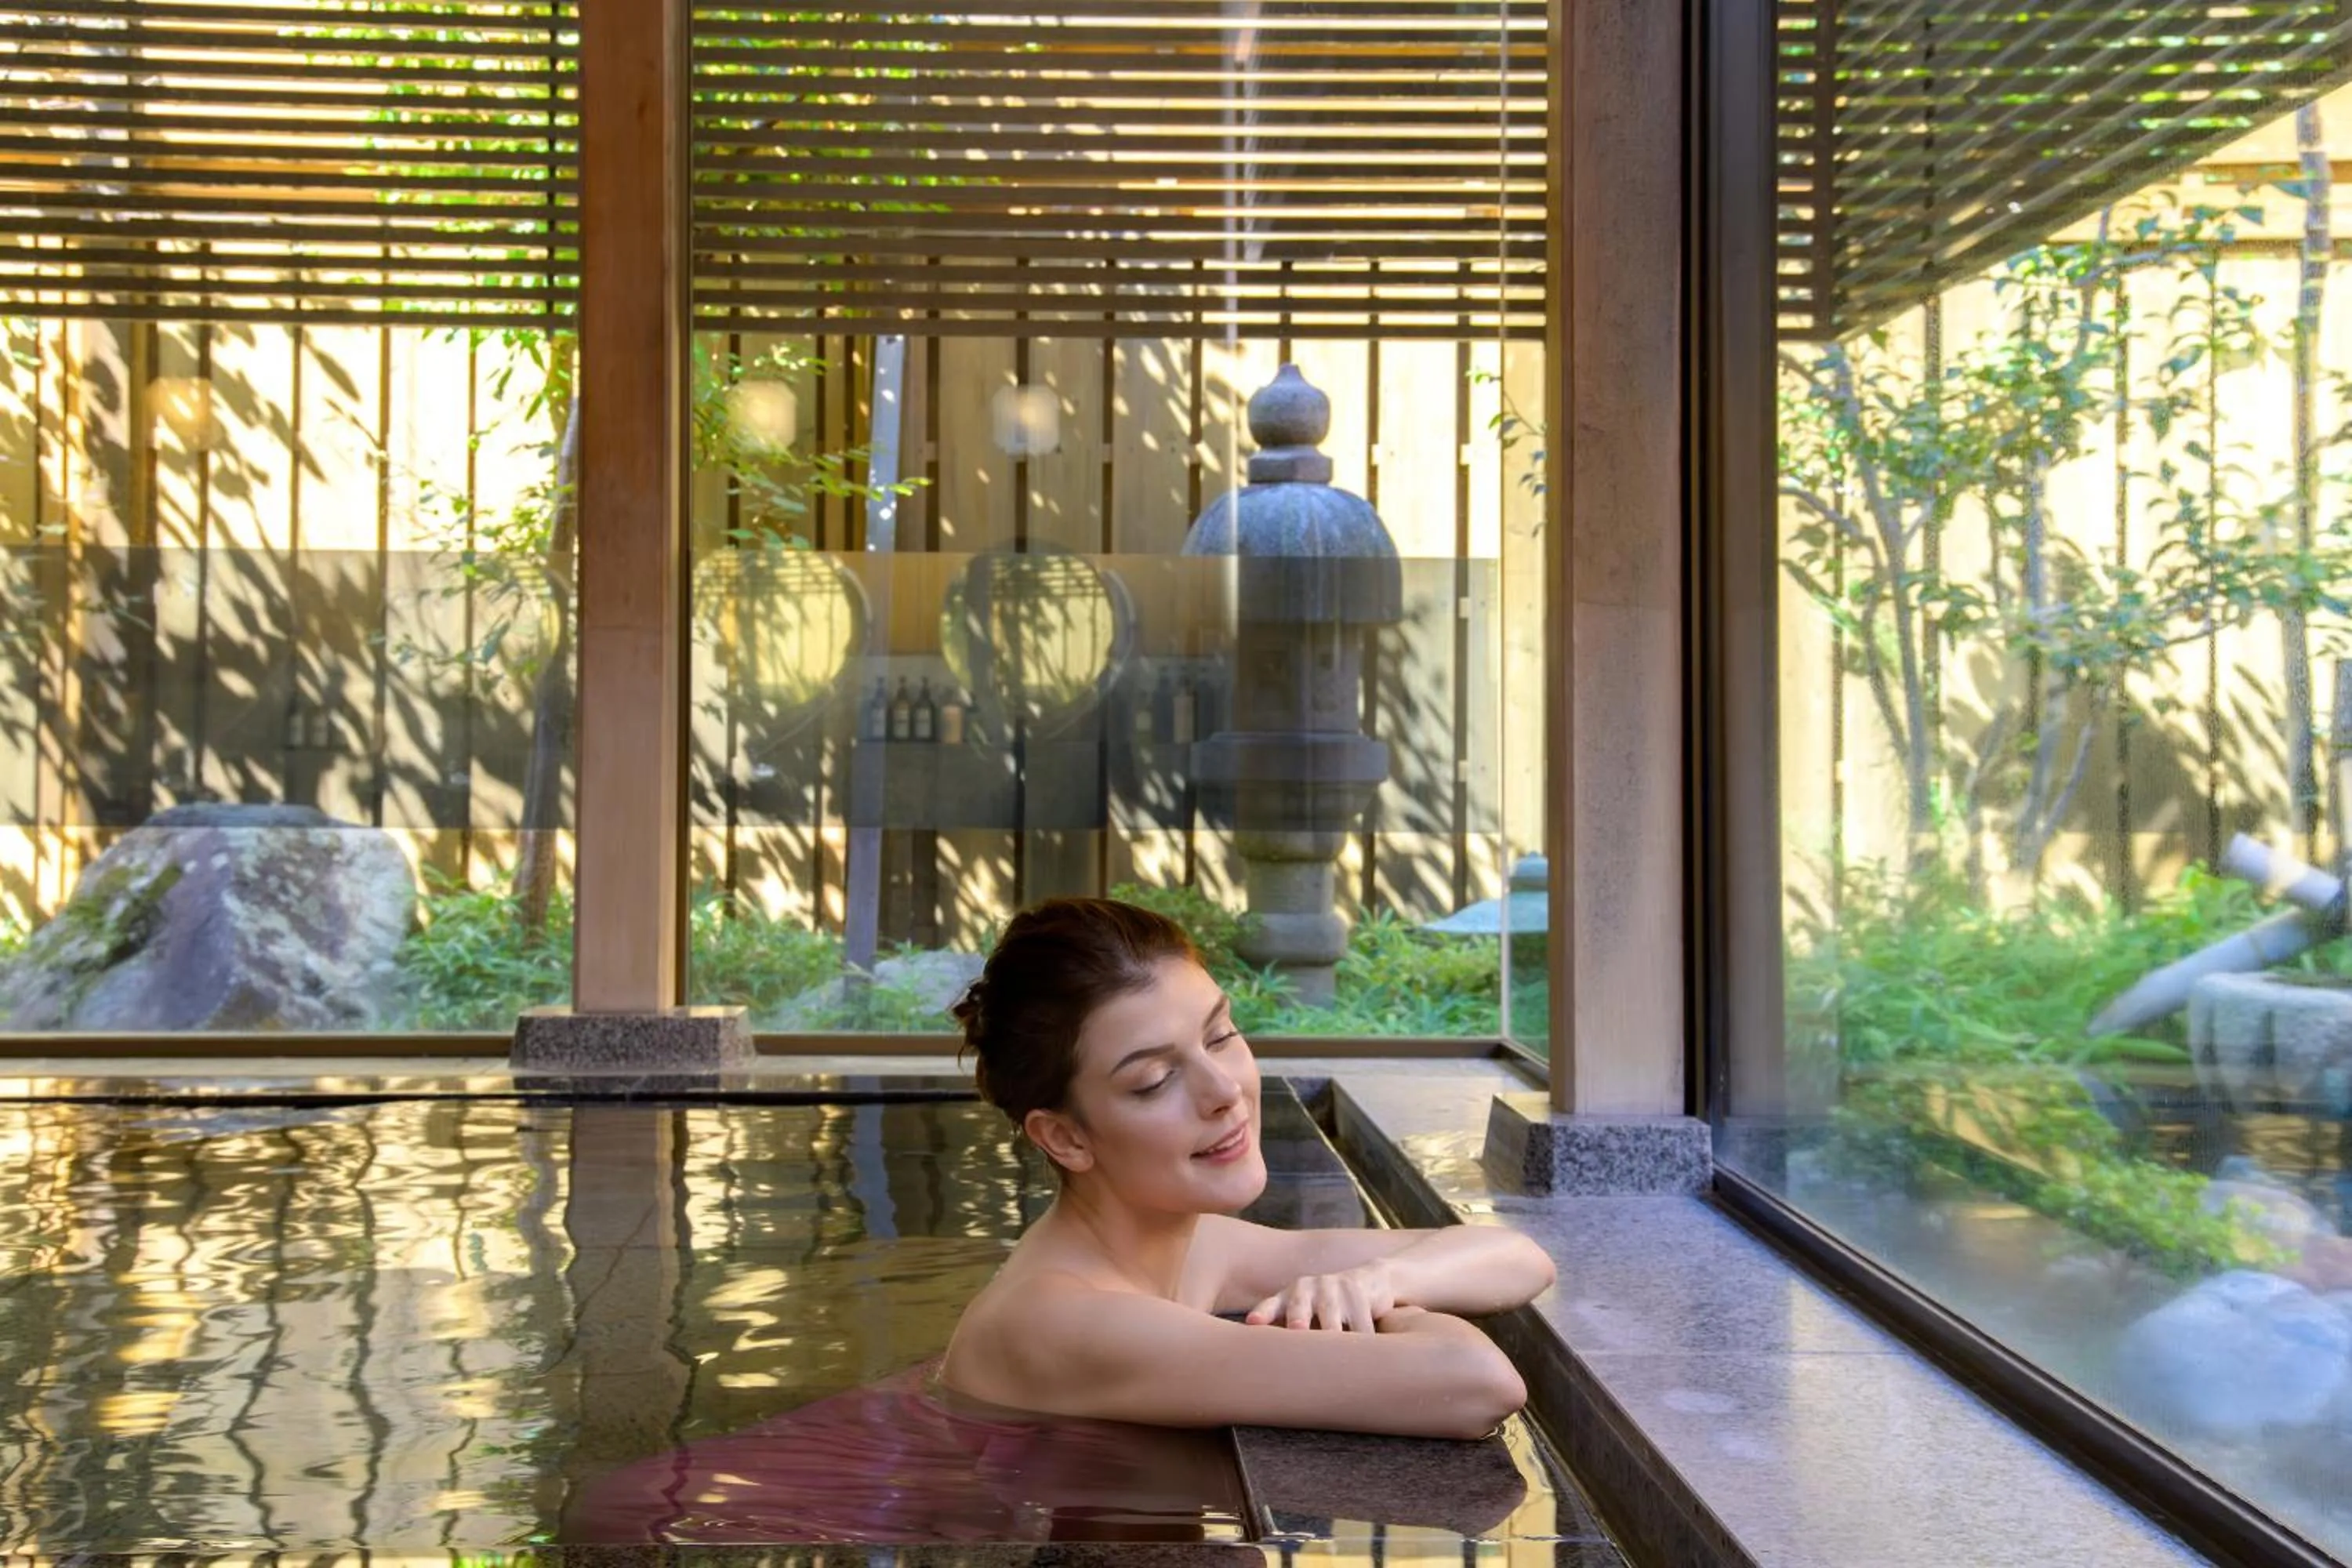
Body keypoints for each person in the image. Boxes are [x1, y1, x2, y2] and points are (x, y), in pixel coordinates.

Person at [940, 896, 1555, 1440]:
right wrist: (1397, 1312)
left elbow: (1518, 1258)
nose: (1223, 1092)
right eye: (1154, 1081)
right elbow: (1475, 1384)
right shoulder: (1062, 1320)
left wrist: (1376, 1284)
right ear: (1066, 1137)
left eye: (1220, 1036)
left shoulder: (1193, 1244)